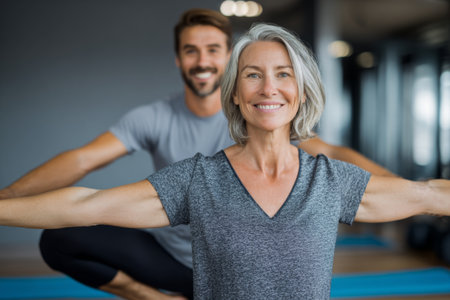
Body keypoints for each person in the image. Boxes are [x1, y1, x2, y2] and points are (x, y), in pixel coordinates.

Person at [1, 22, 449, 299]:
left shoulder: (332, 181)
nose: (268, 88)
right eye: (253, 75)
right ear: (234, 92)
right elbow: (85, 205)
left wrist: (392, 181)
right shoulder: (196, 178)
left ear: (302, 92)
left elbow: (427, 193)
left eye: (283, 75)